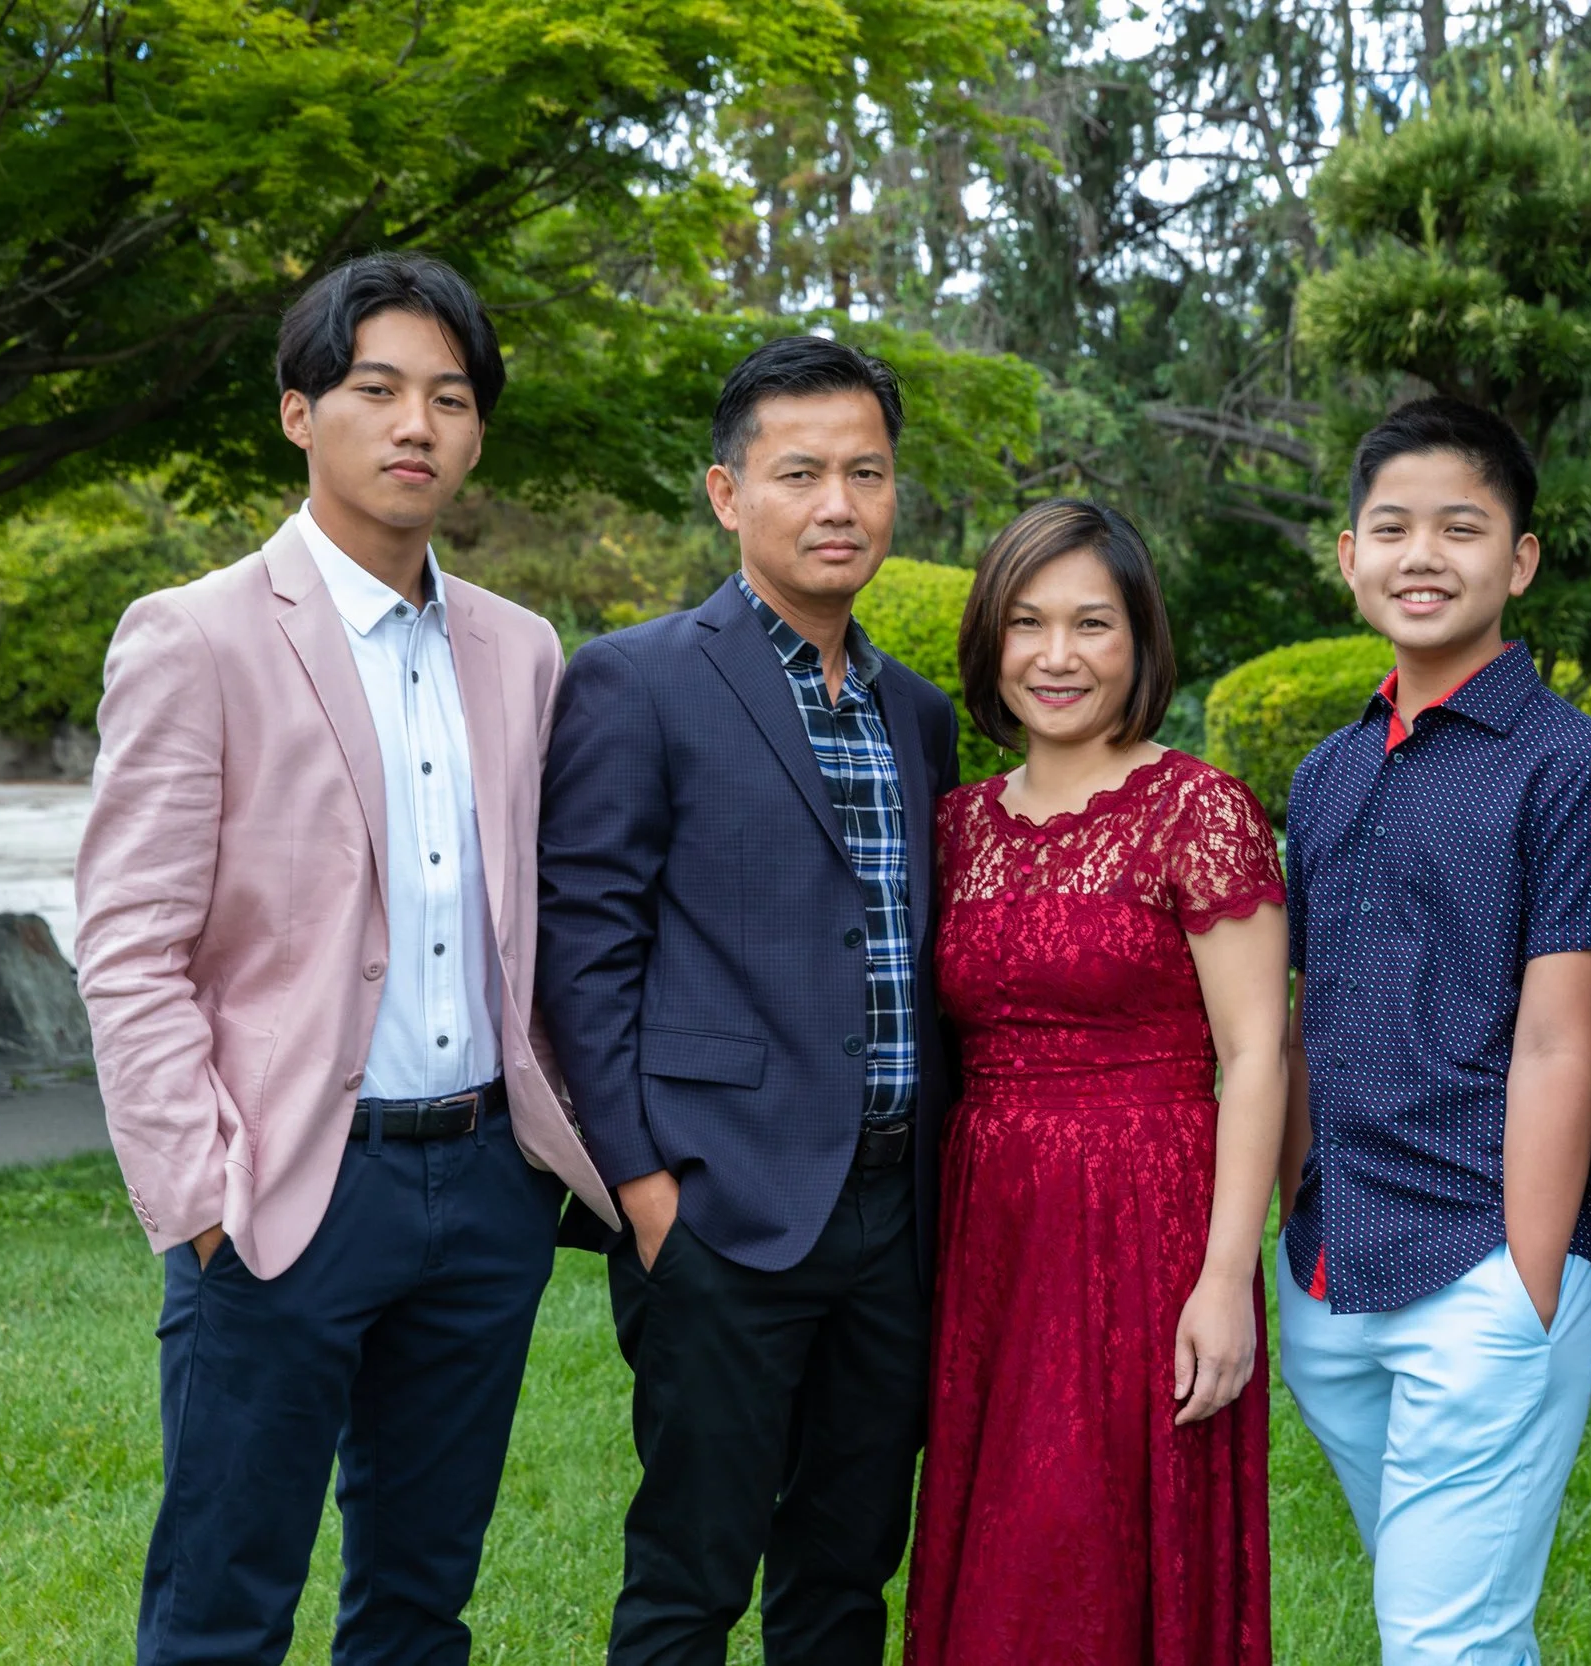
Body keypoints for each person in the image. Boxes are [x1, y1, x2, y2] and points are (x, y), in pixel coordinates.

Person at [74, 252, 617, 1664]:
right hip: (283, 1188)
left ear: (480, 429)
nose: (414, 425)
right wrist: (203, 1196)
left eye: (448, 396)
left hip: (484, 1191)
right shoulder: (195, 637)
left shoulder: (522, 648)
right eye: (375, 389)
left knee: (420, 1605)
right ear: (299, 411)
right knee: (222, 1604)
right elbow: (130, 944)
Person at [534, 333, 961, 1665]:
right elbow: (582, 951)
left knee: (844, 1576)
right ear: (729, 494)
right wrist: (647, 1192)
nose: (838, 503)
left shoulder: (921, 713)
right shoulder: (639, 678)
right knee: (690, 1576)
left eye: (866, 472)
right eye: (800, 473)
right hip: (722, 1210)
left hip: (897, 1218)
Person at [1276, 396, 1591, 1665]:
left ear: (1519, 559)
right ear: (1348, 556)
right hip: (1330, 1271)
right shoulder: (1327, 773)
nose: (1421, 555)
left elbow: (1562, 1042)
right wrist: (1292, 1220)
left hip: (1481, 1268)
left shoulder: (1576, 769)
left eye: (1460, 527)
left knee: (1443, 1637)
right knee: (1456, 1628)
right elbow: (1300, 1020)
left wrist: (1530, 1284)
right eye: (1390, 528)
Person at [902, 500, 1290, 1666]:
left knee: (1112, 1536)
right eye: (1026, 623)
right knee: (1004, 1541)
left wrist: (1226, 1278)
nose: (1057, 656)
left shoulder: (1196, 809)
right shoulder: (956, 827)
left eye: (1091, 624)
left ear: (1140, 640)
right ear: (989, 643)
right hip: (993, 1232)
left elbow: (1258, 1051)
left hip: (1149, 1223)